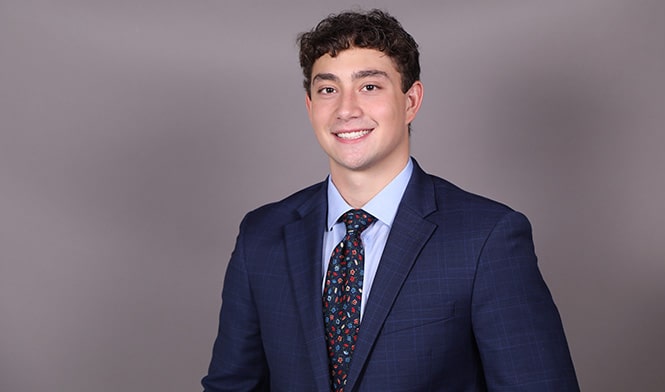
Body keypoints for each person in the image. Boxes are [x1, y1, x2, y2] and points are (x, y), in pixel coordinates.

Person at [202, 9, 579, 392]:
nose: (346, 109)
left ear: (411, 100)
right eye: (328, 90)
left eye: (369, 87)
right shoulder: (262, 236)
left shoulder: (486, 238)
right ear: (310, 107)